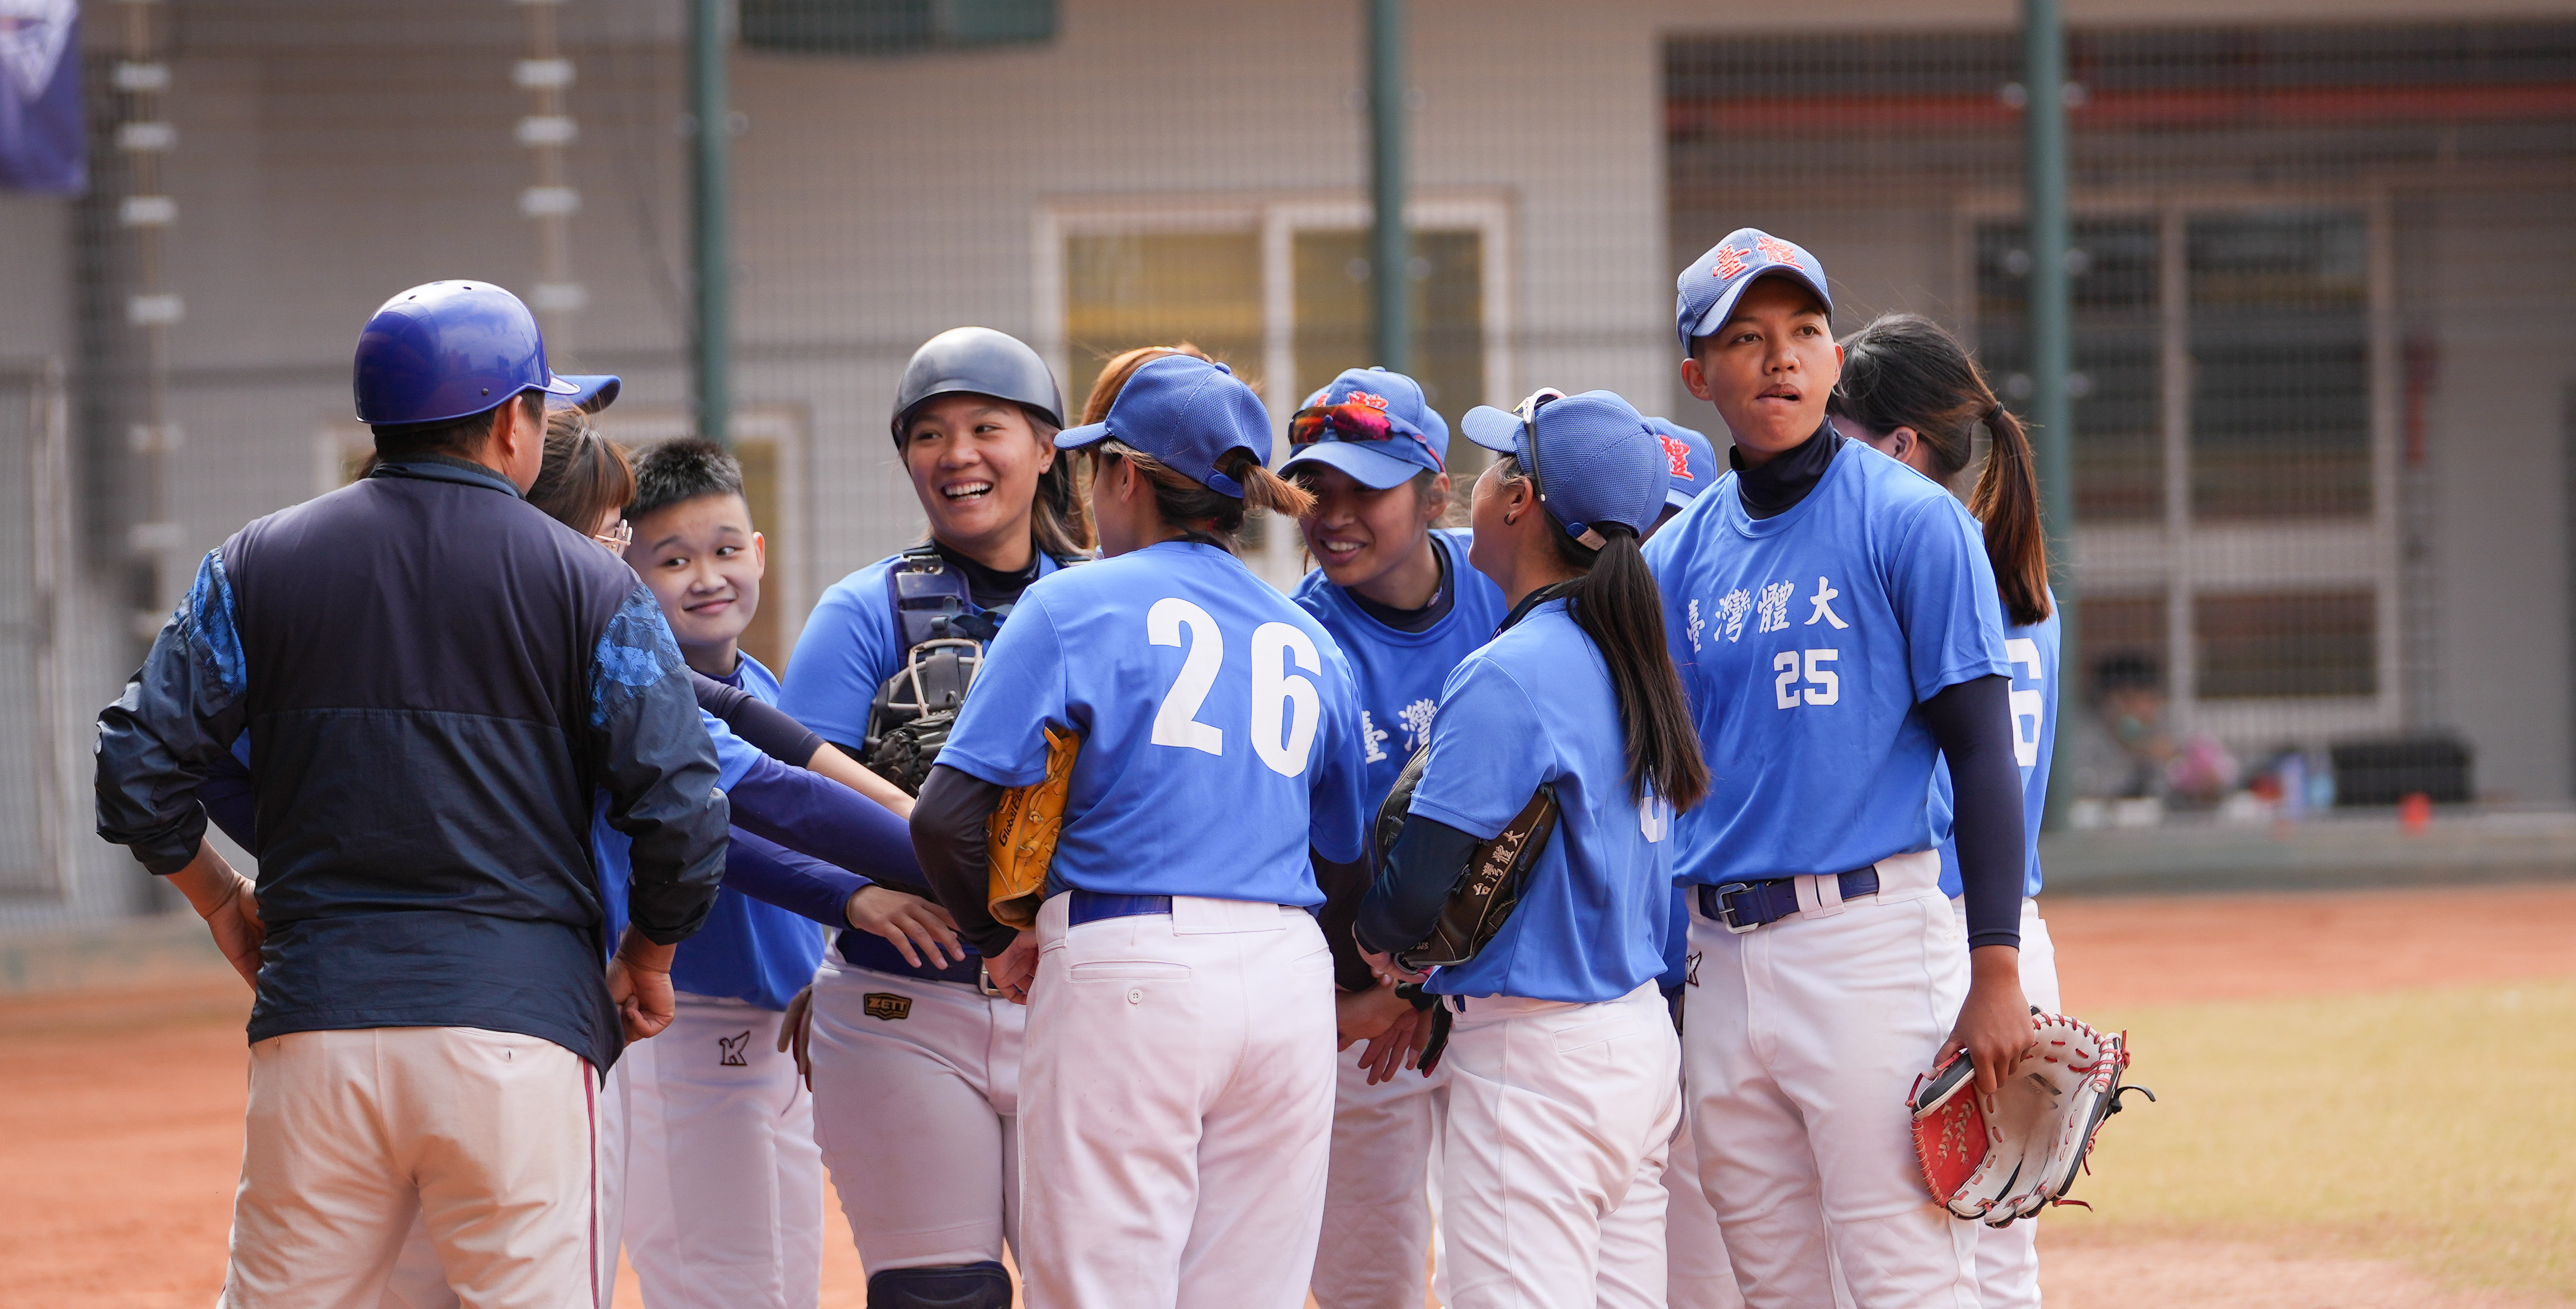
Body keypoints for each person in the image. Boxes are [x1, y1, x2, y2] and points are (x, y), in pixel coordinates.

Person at [93, 280, 731, 1308]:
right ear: (513, 424)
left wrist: (221, 898)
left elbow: (136, 763)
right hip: (518, 1037)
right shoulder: (592, 582)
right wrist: (649, 952)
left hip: (318, 1030)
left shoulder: (256, 560)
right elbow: (686, 812)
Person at [909, 351, 1370, 1309]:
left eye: (1091, 468)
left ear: (1124, 474)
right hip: (1287, 973)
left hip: (1130, 963)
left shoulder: (1074, 602)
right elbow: (1345, 858)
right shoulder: (1312, 639)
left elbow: (945, 818)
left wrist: (1002, 937)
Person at [1645, 230, 2033, 1309]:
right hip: (1719, 953)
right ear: (1697, 374)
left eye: (1806, 332)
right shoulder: (1676, 559)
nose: (1782, 358)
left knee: (1910, 1275)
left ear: (1831, 358)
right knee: (1774, 1286)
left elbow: (1980, 751)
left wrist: (1994, 967)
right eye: (1749, 338)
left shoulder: (1912, 521)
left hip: (1868, 944)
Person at [1353, 387, 1706, 1309]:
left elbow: (1421, 876)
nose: (1474, 482)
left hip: (1537, 1058)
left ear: (1521, 501)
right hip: (1633, 1042)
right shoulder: (1630, 656)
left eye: (1497, 464)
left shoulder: (1514, 666)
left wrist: (1383, 949)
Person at [773, 326, 1092, 1308]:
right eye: (929, 433)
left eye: (986, 427)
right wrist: (852, 896)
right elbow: (790, 802)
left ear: (1047, 447)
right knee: (936, 1298)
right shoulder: (863, 610)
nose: (956, 455)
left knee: (1103, 1287)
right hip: (904, 1004)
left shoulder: (1104, 603)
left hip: (1075, 1004)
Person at [1828, 312, 2062, 1309]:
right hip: (2016, 933)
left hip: (1940, 948)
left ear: (1899, 447)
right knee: (1997, 1250)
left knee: (1899, 1262)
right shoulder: (2026, 584)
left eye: (1841, 431)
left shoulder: (1901, 578)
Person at [1277, 365, 1508, 1309]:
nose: (1334, 512)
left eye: (1364, 489)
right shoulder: (1295, 637)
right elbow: (1294, 854)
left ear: (1435, 490)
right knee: (1367, 1280)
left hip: (1498, 992)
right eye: (1314, 487)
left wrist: (1438, 986)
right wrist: (1376, 987)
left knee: (1506, 1270)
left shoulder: (1504, 592)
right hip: (1358, 1006)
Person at [1637, 414, 1751, 1309]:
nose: (1655, 554)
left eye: (1676, 526)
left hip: (1715, 989)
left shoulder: (1725, 661)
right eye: (1642, 531)